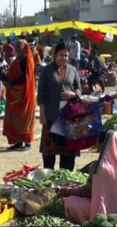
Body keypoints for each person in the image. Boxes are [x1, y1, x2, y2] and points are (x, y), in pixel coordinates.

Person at [60, 131, 117, 224]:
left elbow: (88, 191)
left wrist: (68, 191)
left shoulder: (101, 166)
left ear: (101, 144)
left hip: (107, 212)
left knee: (70, 201)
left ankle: (86, 222)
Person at [37, 41, 82, 170]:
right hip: (51, 117)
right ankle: (50, 184)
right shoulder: (47, 71)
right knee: (49, 157)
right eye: (61, 55)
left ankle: (65, 185)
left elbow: (79, 89)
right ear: (55, 55)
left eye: (66, 55)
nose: (64, 58)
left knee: (68, 156)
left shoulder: (73, 70)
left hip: (69, 118)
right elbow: (41, 94)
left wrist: (73, 94)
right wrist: (42, 114)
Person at [3, 39, 36, 152]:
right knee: (14, 118)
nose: (16, 47)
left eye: (19, 45)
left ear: (25, 48)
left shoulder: (27, 61)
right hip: (13, 94)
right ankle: (17, 141)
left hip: (24, 95)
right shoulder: (16, 60)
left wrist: (11, 83)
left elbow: (25, 78)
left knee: (24, 118)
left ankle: (27, 142)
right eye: (16, 45)